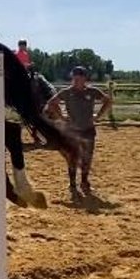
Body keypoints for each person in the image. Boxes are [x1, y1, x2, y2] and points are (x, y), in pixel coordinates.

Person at [45, 65, 112, 197]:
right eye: (74, 78)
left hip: (88, 130)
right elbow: (51, 104)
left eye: (79, 78)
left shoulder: (93, 92)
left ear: (85, 78)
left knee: (87, 158)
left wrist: (98, 116)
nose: (76, 80)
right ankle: (72, 184)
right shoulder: (66, 92)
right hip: (72, 132)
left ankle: (84, 182)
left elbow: (108, 101)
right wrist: (62, 117)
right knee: (72, 158)